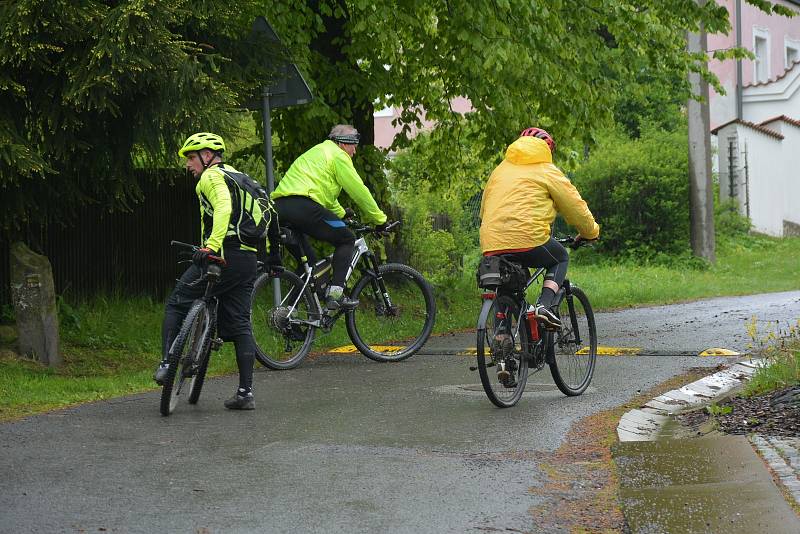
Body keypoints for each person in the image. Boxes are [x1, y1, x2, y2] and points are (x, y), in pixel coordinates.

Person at [153, 132, 262, 411]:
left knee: (178, 302)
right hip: (248, 261)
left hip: (223, 255)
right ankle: (245, 393)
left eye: (191, 158)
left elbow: (223, 207)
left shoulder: (211, 177)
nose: (188, 164)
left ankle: (167, 363)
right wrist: (272, 258)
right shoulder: (242, 179)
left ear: (207, 156)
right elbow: (267, 213)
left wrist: (211, 246)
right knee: (238, 324)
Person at [479, 127, 599, 330]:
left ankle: (502, 339)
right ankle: (545, 306)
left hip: (492, 242)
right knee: (560, 257)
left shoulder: (499, 171)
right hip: (529, 238)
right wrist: (590, 233)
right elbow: (575, 206)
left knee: (506, 284)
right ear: (547, 149)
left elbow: (483, 211)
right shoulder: (546, 170)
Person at [271, 124, 388, 311]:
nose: (355, 151)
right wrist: (379, 219)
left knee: (308, 263)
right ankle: (336, 294)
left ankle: (288, 315)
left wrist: (341, 214)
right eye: (354, 145)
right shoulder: (338, 155)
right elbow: (359, 191)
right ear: (343, 143)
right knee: (347, 238)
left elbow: (323, 192)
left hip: (280, 208)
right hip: (304, 206)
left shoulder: (318, 152)